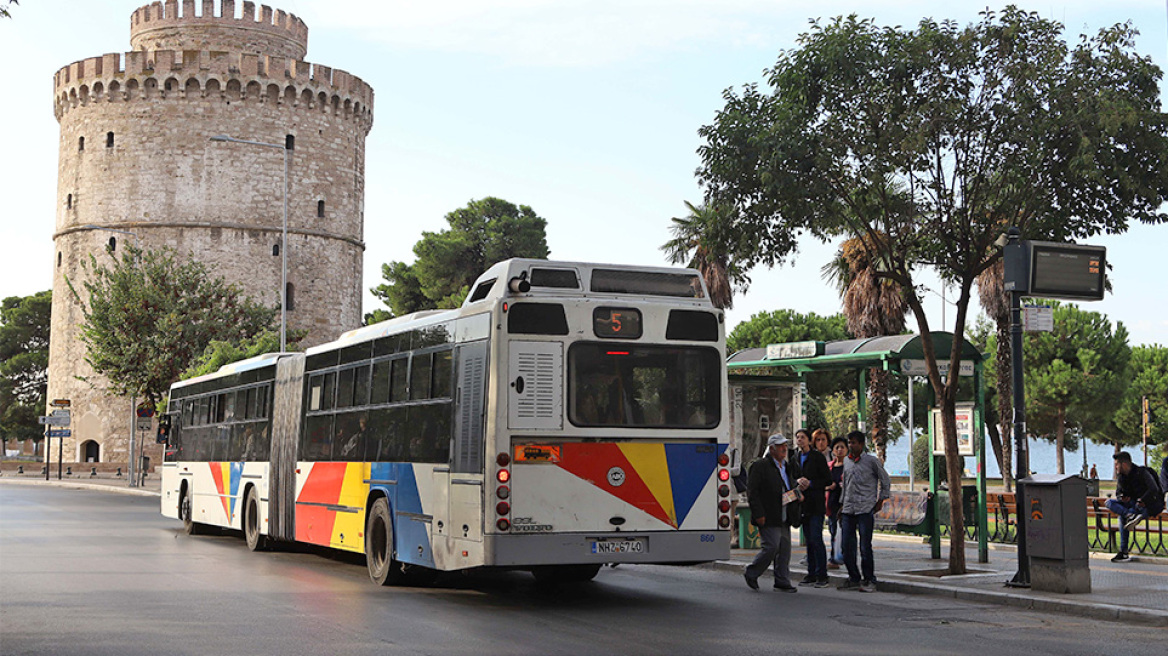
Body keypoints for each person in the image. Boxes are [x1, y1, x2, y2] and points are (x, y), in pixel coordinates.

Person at [744, 433, 808, 592]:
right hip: (769, 514)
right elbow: (753, 492)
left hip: (785, 513)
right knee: (771, 546)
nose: (784, 449)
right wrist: (758, 514)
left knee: (784, 549)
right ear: (771, 449)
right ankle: (752, 572)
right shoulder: (760, 466)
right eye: (780, 446)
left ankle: (782, 581)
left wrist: (797, 494)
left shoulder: (786, 466)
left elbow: (789, 486)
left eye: (785, 446)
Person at [838, 430, 891, 593]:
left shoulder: (871, 461)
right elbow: (846, 484)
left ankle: (869, 579)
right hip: (848, 508)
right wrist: (842, 504)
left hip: (865, 508)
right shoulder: (846, 461)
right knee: (846, 545)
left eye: (854, 442)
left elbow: (885, 479)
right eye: (849, 442)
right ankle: (854, 577)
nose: (851, 445)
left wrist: (881, 499)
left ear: (861, 444)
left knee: (865, 546)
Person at [1106, 451, 1165, 562]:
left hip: (1148, 505)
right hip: (1132, 506)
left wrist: (1142, 500)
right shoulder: (1121, 477)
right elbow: (1118, 493)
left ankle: (1123, 552)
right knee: (1109, 502)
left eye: (1116, 465)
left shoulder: (1141, 472)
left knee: (1122, 517)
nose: (1115, 467)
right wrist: (1121, 498)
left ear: (1124, 464)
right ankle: (1130, 515)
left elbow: (1154, 489)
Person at [793, 428, 831, 587]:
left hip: (816, 504)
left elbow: (827, 480)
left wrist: (811, 483)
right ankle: (811, 573)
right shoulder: (794, 457)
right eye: (797, 437)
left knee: (816, 538)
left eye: (803, 437)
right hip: (803, 504)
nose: (799, 440)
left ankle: (822, 575)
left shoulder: (817, 457)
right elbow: (790, 476)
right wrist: (797, 482)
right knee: (808, 540)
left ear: (809, 440)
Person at [826, 436, 848, 569]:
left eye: (842, 447)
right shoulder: (829, 466)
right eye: (837, 447)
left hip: (845, 505)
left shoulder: (850, 466)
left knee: (846, 533)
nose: (839, 450)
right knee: (833, 531)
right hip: (832, 504)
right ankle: (834, 558)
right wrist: (829, 487)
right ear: (833, 450)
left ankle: (843, 557)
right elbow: (823, 483)